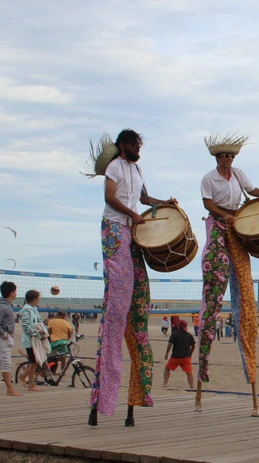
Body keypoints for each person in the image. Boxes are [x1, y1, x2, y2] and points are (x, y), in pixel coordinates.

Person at [86, 129, 176, 421]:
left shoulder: (137, 168)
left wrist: (164, 204)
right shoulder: (114, 167)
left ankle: (136, 396)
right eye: (134, 144)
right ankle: (103, 399)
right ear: (123, 146)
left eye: (140, 143)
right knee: (118, 301)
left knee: (139, 301)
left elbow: (145, 197)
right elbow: (110, 198)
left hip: (131, 229)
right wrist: (132, 214)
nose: (138, 147)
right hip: (114, 228)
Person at [197, 133, 259, 395]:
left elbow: (252, 191)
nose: (228, 160)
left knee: (243, 285)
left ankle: (249, 361)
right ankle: (204, 363)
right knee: (217, 277)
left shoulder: (239, 173)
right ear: (217, 158)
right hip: (219, 224)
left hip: (237, 224)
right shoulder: (209, 178)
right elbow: (208, 204)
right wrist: (224, 216)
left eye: (231, 156)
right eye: (225, 156)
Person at [19, 290, 45, 392]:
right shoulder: (27, 310)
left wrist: (44, 331)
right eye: (39, 297)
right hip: (30, 340)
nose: (39, 299)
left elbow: (39, 321)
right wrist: (36, 333)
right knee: (34, 361)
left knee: (35, 361)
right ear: (35, 298)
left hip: (35, 340)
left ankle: (24, 377)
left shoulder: (34, 309)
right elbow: (25, 326)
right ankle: (30, 384)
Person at [164, 319, 196, 389]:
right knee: (189, 373)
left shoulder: (174, 334)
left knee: (167, 369)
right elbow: (193, 346)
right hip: (186, 357)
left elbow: (170, 344)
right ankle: (192, 387)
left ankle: (165, 383)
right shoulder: (189, 335)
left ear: (179, 326)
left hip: (175, 356)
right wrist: (190, 354)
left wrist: (166, 353)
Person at [47, 310, 74, 375]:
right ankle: (63, 372)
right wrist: (66, 339)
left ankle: (48, 371)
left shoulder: (51, 322)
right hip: (63, 342)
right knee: (63, 358)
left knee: (49, 357)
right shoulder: (67, 323)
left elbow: (49, 332)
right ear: (64, 316)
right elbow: (70, 334)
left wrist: (50, 338)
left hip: (54, 342)